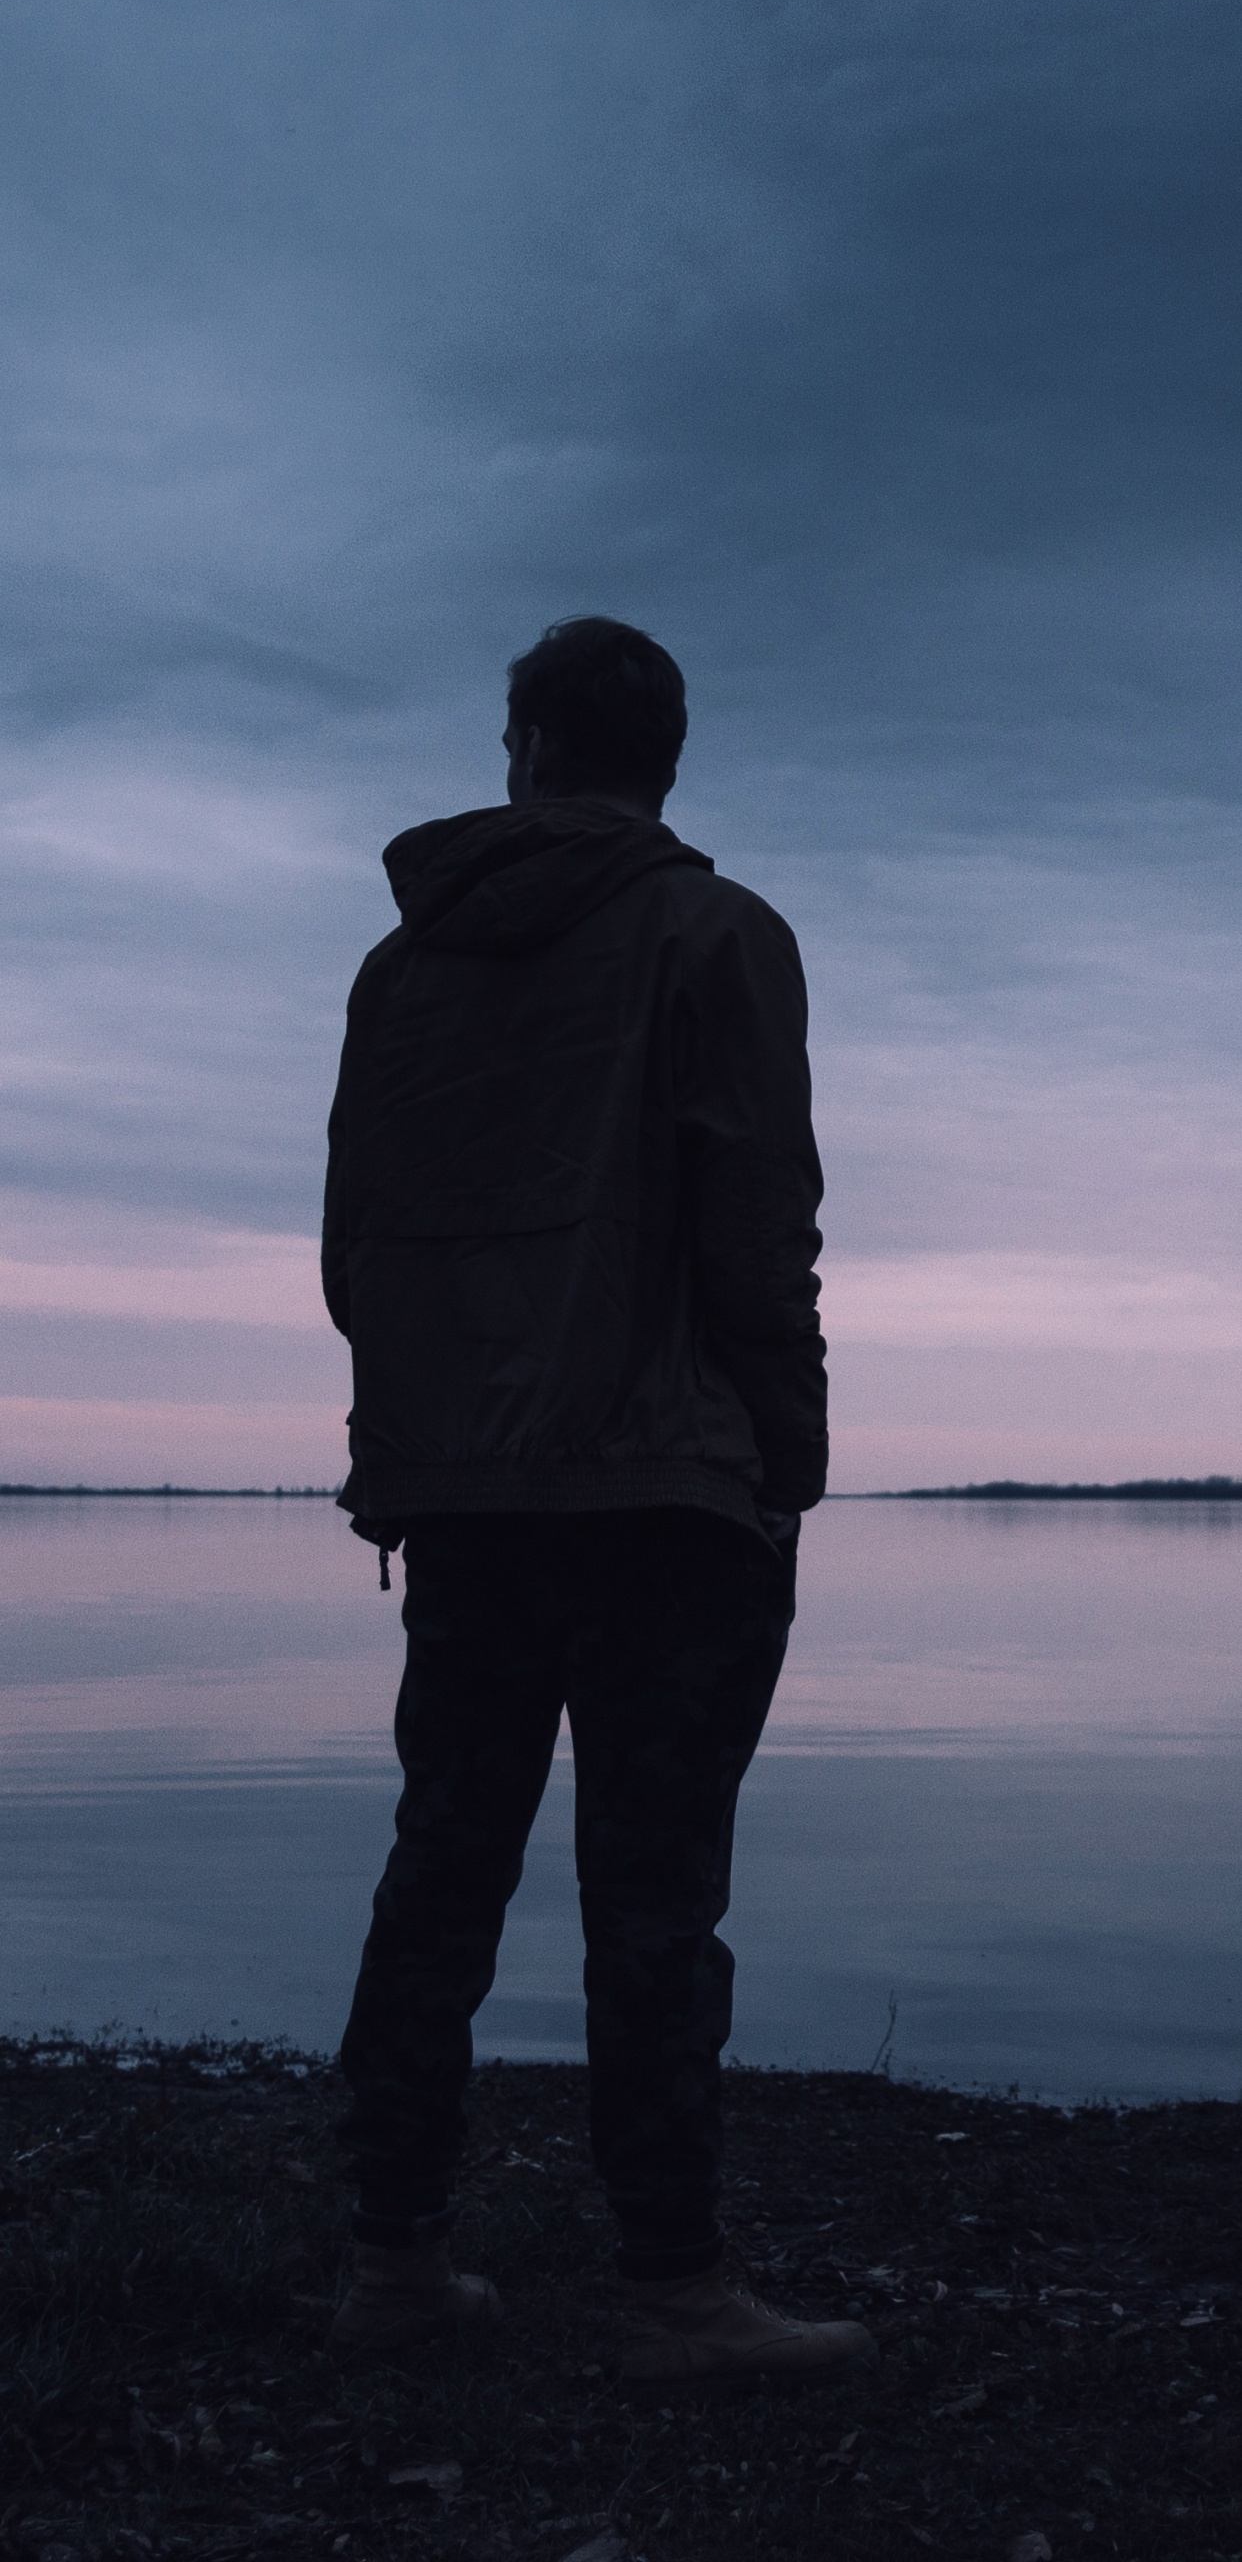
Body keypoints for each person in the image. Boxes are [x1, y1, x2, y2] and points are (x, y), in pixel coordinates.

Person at [320, 615, 876, 2390]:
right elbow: (757, 1229)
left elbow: (352, 1247)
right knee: (652, 1899)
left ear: (530, 751)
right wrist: (786, 1460)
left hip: (465, 1492)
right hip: (664, 1493)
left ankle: (393, 2261)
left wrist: (429, 1436)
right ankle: (671, 2291)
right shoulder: (717, 933)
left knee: (440, 1868)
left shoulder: (399, 971)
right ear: (664, 759)